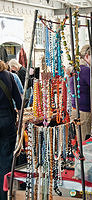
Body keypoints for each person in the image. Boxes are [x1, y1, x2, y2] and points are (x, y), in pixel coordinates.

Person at [70, 44, 92, 141]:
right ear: (86, 56)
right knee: (84, 142)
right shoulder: (85, 70)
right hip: (84, 112)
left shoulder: (76, 68)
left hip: (77, 110)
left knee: (79, 142)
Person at [0, 60, 22, 199]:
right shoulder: (9, 76)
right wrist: (20, 122)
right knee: (6, 160)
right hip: (6, 121)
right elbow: (19, 103)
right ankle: (5, 195)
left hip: (6, 121)